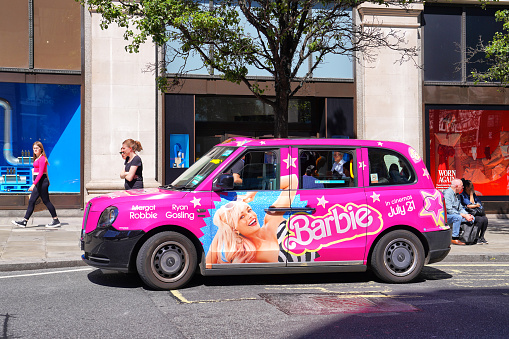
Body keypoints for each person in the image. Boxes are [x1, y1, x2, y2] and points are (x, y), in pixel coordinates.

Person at [206, 174, 297, 265]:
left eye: (249, 210)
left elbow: (292, 180)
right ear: (234, 228)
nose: (249, 216)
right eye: (242, 217)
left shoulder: (271, 220)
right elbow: (209, 263)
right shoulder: (245, 256)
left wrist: (254, 190)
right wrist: (223, 227)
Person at [12, 141, 60, 228]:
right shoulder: (37, 158)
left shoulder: (42, 159)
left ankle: (55, 220)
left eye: (37, 148)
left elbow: (41, 173)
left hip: (41, 182)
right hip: (40, 182)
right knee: (34, 201)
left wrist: (34, 184)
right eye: (34, 148)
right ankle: (25, 221)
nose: (35, 150)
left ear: (41, 149)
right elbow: (41, 171)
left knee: (43, 201)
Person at [443, 178, 474, 245]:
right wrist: (464, 215)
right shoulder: (447, 194)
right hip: (446, 216)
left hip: (456, 214)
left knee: (472, 218)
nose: (463, 188)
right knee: (457, 217)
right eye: (461, 186)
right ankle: (454, 238)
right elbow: (449, 210)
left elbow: (461, 208)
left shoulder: (457, 195)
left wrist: (467, 215)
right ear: (456, 186)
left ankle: (466, 238)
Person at [460, 179, 489, 244]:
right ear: (467, 187)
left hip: (477, 213)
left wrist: (474, 205)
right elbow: (470, 204)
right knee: (480, 220)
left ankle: (482, 237)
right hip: (469, 214)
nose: (473, 188)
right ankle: (476, 237)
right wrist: (471, 195)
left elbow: (479, 204)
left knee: (485, 219)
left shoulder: (474, 195)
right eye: (471, 186)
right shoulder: (463, 196)